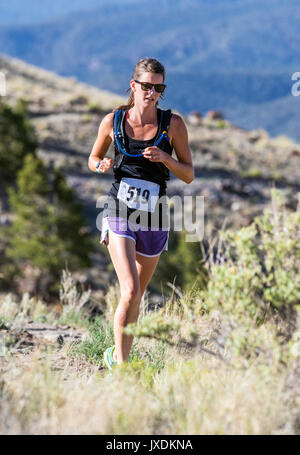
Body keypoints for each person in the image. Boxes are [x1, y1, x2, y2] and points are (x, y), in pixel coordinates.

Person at [88, 57, 194, 370]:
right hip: (118, 210)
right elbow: (93, 157)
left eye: (158, 87)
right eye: (146, 85)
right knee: (130, 289)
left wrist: (166, 158)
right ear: (133, 85)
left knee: (137, 297)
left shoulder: (172, 124)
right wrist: (101, 164)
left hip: (154, 216)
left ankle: (116, 355)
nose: (152, 92)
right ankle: (123, 369)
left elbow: (188, 174)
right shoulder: (113, 121)